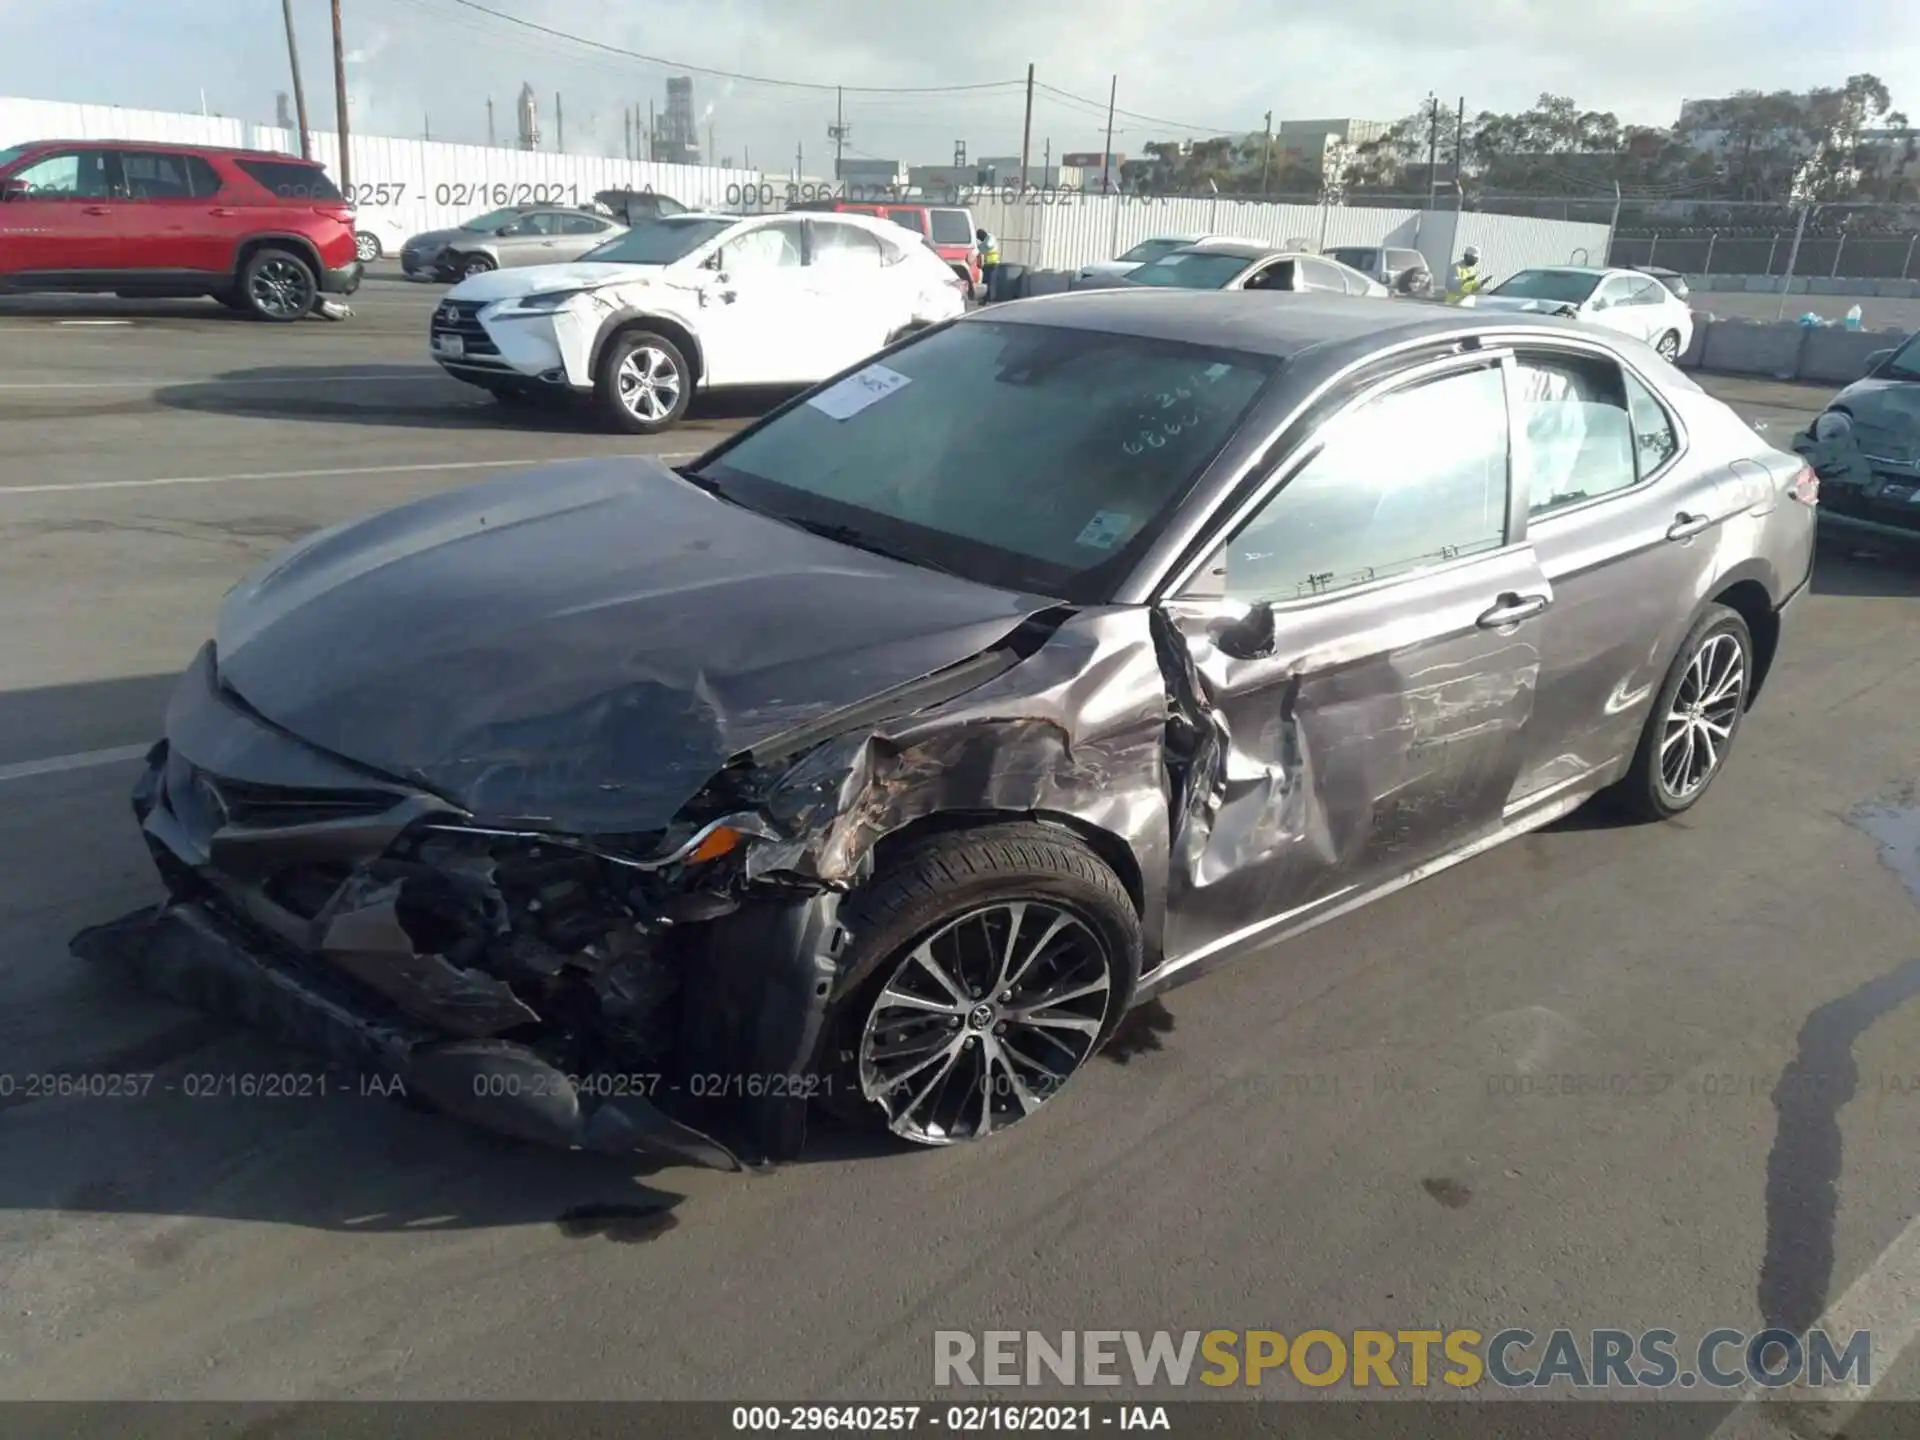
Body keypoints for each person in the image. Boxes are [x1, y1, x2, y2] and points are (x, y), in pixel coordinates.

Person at [976, 226, 1000, 299]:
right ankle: (985, 298)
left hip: (993, 264)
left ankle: (990, 298)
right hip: (987, 264)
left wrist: (979, 247)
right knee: (985, 282)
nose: (981, 240)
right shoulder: (985, 241)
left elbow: (987, 246)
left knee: (991, 283)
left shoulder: (990, 238)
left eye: (980, 238)